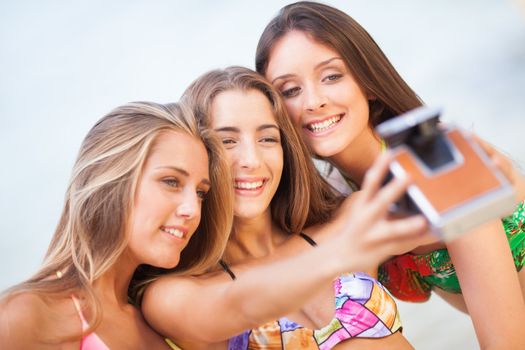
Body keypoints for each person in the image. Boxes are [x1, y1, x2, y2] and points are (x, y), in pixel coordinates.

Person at [255, 1, 525, 348]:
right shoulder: (334, 200)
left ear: (367, 81)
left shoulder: (436, 158)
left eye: (332, 76)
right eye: (290, 90)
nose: (313, 101)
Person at [139, 66, 434, 350]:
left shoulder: (345, 220)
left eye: (268, 138)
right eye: (226, 141)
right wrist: (341, 251)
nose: (251, 160)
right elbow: (240, 302)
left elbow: (464, 203)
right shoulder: (171, 296)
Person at [0, 101, 234, 349]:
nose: (192, 210)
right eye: (171, 181)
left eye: (200, 193)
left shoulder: (164, 328)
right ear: (111, 182)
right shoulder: (26, 316)